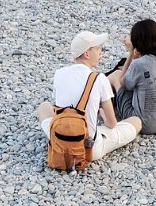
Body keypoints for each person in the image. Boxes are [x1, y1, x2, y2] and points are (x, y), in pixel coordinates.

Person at [36, 30, 142, 163]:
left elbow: (58, 108)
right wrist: (103, 117)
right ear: (87, 54)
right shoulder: (99, 79)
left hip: (60, 142)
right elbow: (112, 123)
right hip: (89, 148)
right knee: (136, 121)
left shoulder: (59, 73)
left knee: (44, 106)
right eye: (97, 48)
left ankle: (61, 141)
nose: (100, 51)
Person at [107, 19, 156, 135]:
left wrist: (131, 53)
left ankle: (102, 106)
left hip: (142, 124)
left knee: (115, 75)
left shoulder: (138, 65)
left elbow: (122, 82)